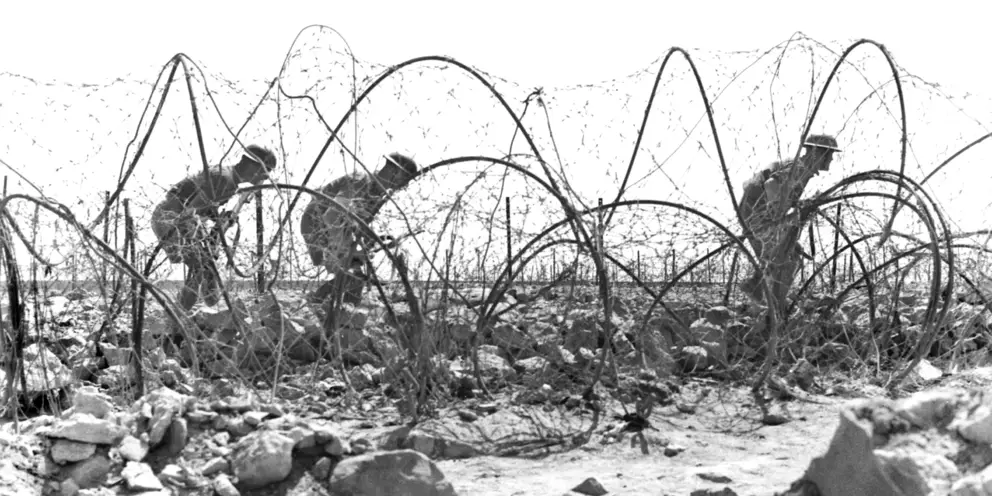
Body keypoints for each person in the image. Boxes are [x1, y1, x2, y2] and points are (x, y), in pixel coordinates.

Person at [151, 145, 277, 310]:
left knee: (205, 267)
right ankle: (179, 316)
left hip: (179, 218)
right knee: (200, 267)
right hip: (170, 217)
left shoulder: (229, 180)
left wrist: (221, 222)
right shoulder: (224, 179)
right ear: (254, 166)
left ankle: (190, 312)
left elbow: (201, 208)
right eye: (266, 171)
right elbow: (189, 213)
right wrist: (202, 243)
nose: (266, 178)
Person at [300, 153, 418, 307]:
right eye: (405, 178)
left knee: (354, 274)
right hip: (317, 225)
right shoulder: (360, 182)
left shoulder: (378, 194)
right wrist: (342, 247)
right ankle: (318, 305)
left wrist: (373, 241)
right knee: (351, 272)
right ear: (394, 171)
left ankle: (342, 314)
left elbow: (359, 225)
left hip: (336, 229)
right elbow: (332, 215)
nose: (405, 185)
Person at [738, 134, 841, 311]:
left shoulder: (803, 170)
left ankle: (759, 289)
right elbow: (771, 184)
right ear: (817, 153)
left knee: (787, 254)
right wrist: (775, 217)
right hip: (757, 214)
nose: (831, 158)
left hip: (755, 212)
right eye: (829, 154)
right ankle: (774, 306)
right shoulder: (799, 168)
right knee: (786, 259)